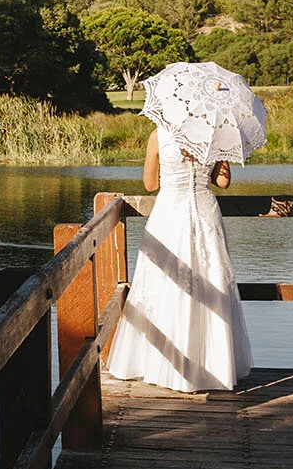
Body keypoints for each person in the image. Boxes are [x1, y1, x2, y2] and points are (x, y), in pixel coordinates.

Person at [106, 125, 252, 392]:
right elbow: (223, 182)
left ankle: (161, 366)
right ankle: (211, 366)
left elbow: (150, 184)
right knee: (210, 281)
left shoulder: (159, 134)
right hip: (204, 212)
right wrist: (221, 154)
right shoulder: (214, 132)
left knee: (164, 283)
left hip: (170, 214)